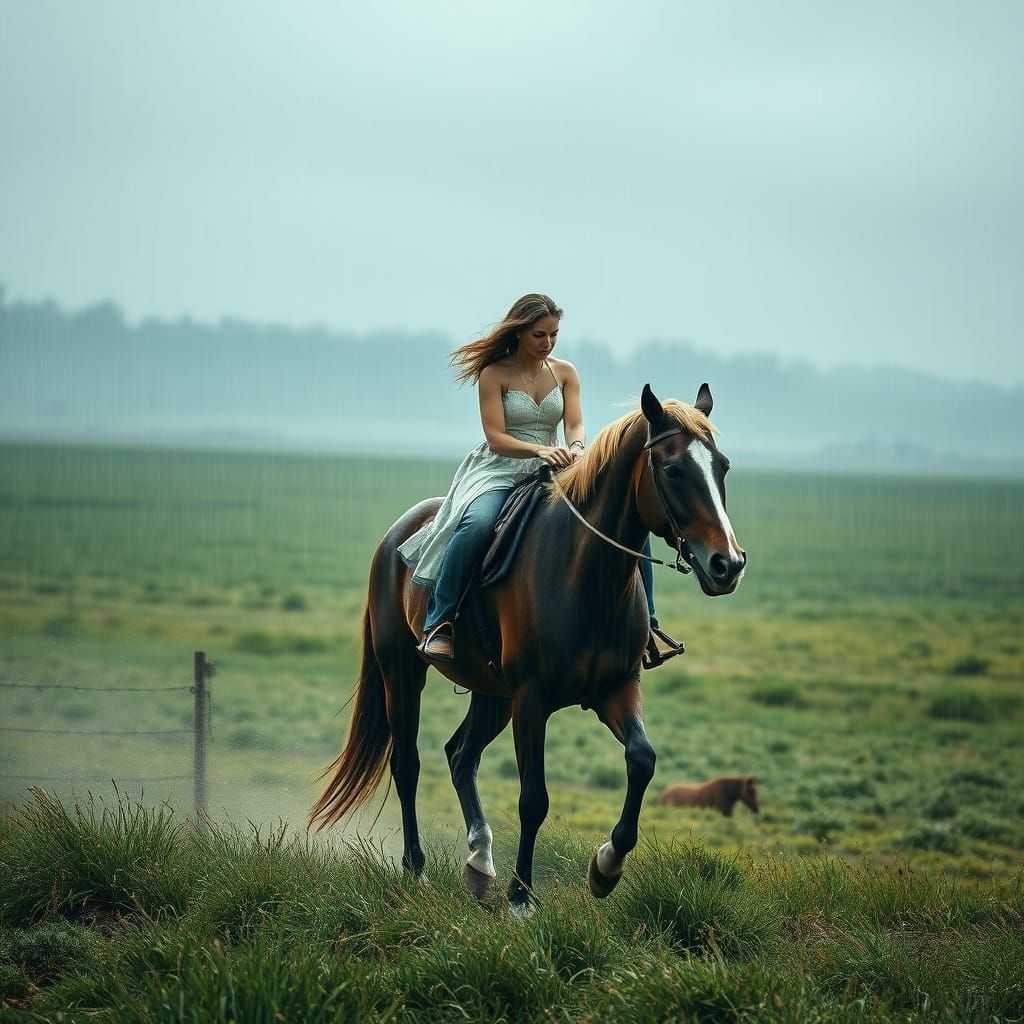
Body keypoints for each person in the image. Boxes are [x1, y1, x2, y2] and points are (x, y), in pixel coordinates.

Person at [398, 292, 682, 667]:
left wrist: (578, 446)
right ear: (518, 333)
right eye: (539, 335)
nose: (547, 343)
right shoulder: (493, 374)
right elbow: (495, 437)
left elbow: (575, 423)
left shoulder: (565, 372)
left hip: (556, 465)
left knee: (624, 522)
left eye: (554, 335)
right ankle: (441, 620)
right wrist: (538, 451)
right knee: (477, 523)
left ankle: (647, 625)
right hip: (499, 467)